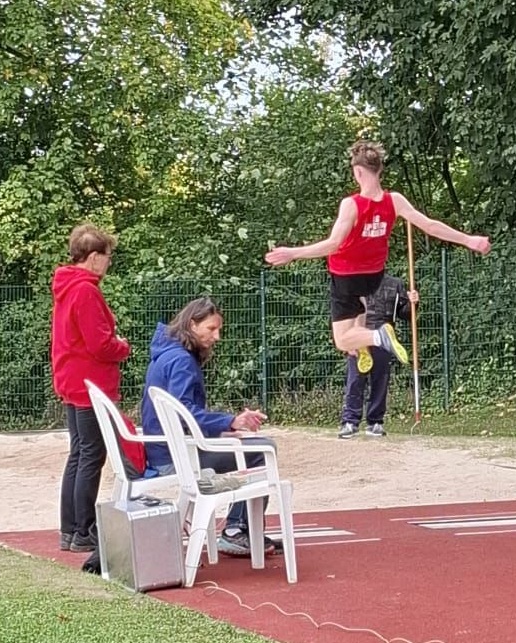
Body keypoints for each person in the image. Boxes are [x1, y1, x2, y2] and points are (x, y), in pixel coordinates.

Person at [264, 140, 490, 374]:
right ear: (379, 170)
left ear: (358, 171)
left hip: (346, 276)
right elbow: (430, 226)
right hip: (373, 277)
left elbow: (332, 244)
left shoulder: (351, 204)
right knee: (357, 316)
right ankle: (362, 344)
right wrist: (469, 240)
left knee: (341, 340)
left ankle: (377, 336)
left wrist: (292, 253)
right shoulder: (395, 200)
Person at [139, 297, 281, 556]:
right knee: (261, 449)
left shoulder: (168, 353)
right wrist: (229, 421)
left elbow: (182, 415)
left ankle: (241, 529)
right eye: (211, 329)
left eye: (219, 330)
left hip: (166, 449)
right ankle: (237, 531)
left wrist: (222, 429)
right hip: (176, 455)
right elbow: (184, 413)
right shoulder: (181, 360)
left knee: (250, 446)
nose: (217, 336)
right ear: (192, 324)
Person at [51, 224, 131, 553]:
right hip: (90, 384)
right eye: (107, 256)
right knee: (91, 456)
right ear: (95, 257)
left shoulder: (68, 286)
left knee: (78, 454)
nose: (109, 263)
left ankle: (70, 529)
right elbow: (99, 343)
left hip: (73, 379)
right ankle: (82, 528)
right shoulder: (86, 290)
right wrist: (122, 347)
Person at [338, 274, 418, 439]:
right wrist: (346, 338)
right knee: (355, 380)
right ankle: (350, 421)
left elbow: (405, 314)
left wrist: (412, 303)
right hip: (360, 335)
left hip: (384, 335)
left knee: (380, 380)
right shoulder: (354, 281)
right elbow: (344, 313)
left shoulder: (395, 284)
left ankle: (375, 422)